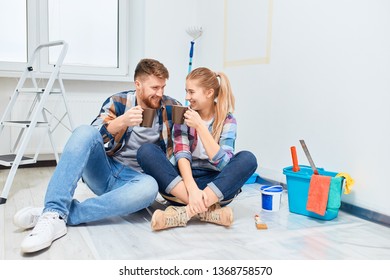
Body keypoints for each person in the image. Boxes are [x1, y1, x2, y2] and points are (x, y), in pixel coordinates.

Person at [13, 58, 181, 253]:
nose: (159, 93)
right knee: (84, 131)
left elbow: (183, 142)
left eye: (163, 87)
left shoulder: (170, 106)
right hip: (106, 170)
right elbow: (93, 137)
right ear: (138, 84)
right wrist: (122, 121)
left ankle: (55, 214)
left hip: (134, 182)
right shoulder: (118, 101)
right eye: (154, 87)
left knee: (150, 187)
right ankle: (54, 209)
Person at [137, 67, 258, 231]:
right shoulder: (183, 115)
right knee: (146, 151)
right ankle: (207, 211)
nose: (187, 98)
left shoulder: (228, 120)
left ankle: (185, 212)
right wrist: (193, 189)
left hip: (215, 187)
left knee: (248, 159)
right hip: (183, 185)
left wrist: (200, 127)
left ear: (209, 93)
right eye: (186, 91)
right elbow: (181, 154)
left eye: (192, 92)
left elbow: (224, 164)